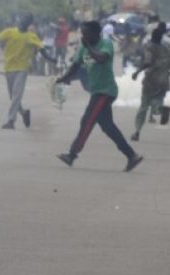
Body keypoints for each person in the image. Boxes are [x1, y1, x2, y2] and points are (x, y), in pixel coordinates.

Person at [55, 20, 143, 171]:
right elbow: (75, 66)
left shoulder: (105, 44)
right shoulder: (83, 48)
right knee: (107, 126)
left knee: (87, 120)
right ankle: (131, 155)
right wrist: (63, 78)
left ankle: (72, 154)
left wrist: (88, 46)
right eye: (83, 33)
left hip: (106, 91)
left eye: (87, 33)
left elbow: (101, 58)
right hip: (97, 91)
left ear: (96, 33)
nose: (84, 36)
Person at [0, 14, 46, 129]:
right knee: (13, 97)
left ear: (29, 24)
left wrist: (50, 58)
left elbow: (41, 49)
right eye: (21, 19)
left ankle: (11, 121)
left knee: (17, 95)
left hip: (22, 69)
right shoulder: (9, 32)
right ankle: (24, 113)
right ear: (19, 20)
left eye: (26, 21)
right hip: (9, 68)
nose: (22, 22)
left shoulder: (31, 36)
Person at [130, 21, 169, 142]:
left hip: (151, 79)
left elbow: (148, 61)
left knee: (144, 106)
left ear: (152, 37)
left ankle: (137, 132)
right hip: (164, 80)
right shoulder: (166, 48)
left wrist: (137, 72)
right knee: (158, 100)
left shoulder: (149, 46)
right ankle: (162, 109)